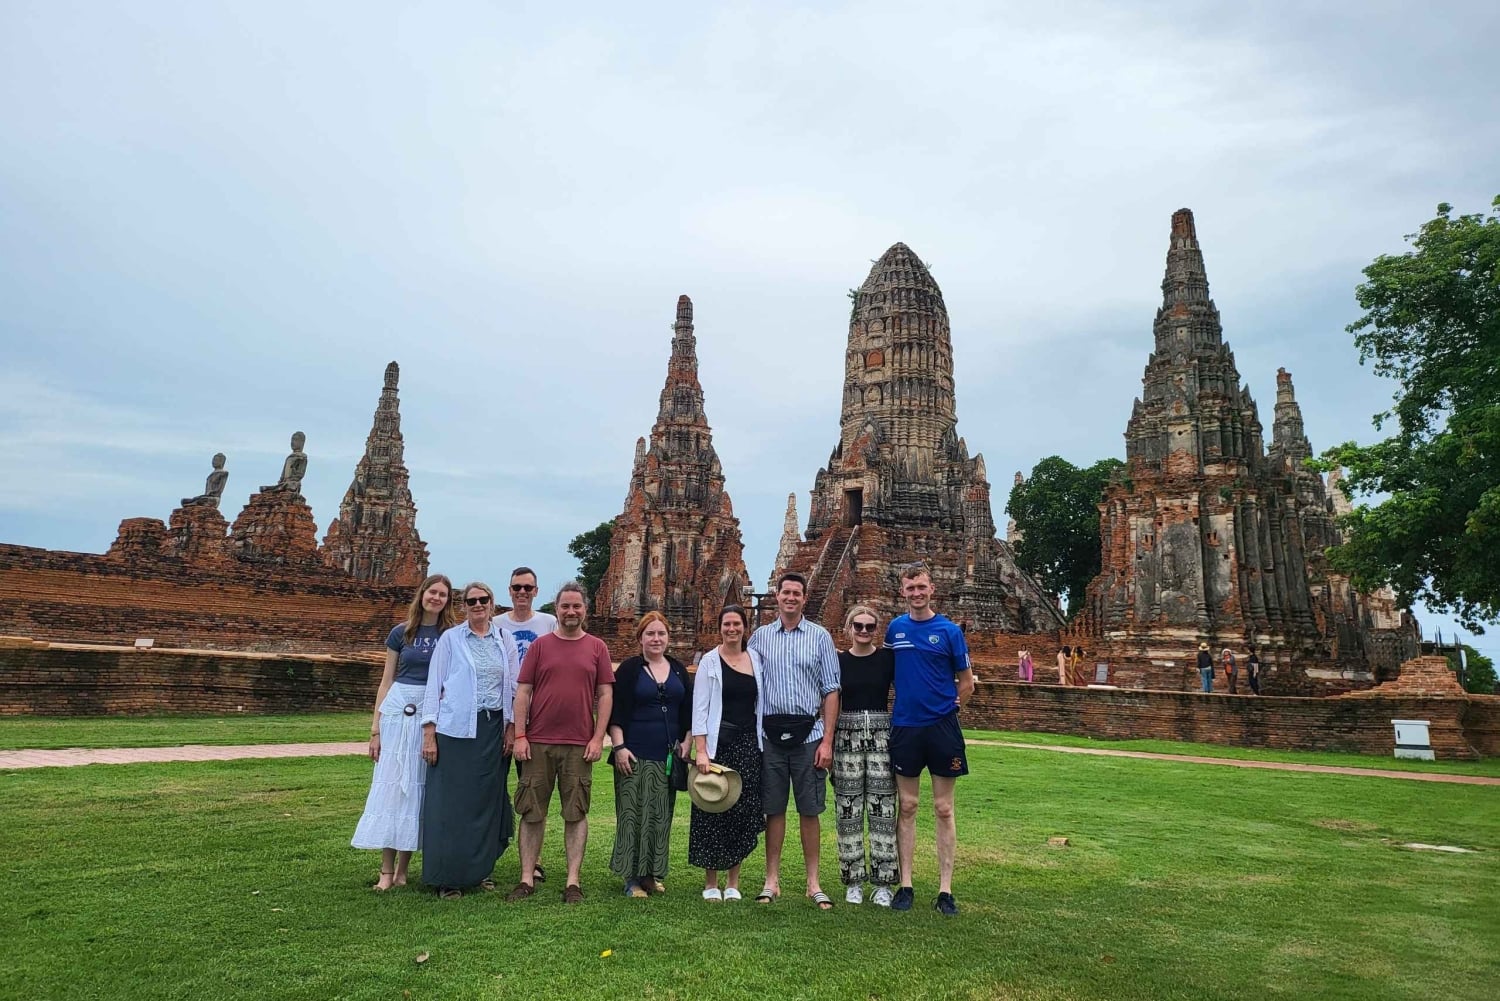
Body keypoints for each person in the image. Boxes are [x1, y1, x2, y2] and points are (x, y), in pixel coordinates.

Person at [508, 581, 615, 904]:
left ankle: (572, 881)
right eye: (565, 606)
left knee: (576, 812)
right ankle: (527, 877)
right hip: (538, 740)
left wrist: (598, 737)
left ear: (586, 610)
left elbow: (605, 694)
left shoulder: (597, 647)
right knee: (531, 811)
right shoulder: (541, 646)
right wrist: (521, 735)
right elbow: (523, 692)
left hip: (578, 743)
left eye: (577, 606)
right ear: (556, 610)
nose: (571, 611)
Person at [352, 573, 459, 890]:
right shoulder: (402, 633)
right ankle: (386, 871)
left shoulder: (450, 636)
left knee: (416, 788)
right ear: (422, 595)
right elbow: (386, 681)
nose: (436, 598)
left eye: (442, 594)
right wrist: (375, 729)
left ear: (447, 601)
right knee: (392, 787)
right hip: (398, 709)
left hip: (431, 712)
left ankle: (403, 870)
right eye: (432, 592)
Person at [417, 581, 520, 899]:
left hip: (492, 729)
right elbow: (434, 686)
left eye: (483, 600)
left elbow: (515, 687)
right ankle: (448, 876)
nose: (477, 605)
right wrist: (429, 733)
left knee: (486, 802)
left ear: (492, 604)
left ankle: (479, 870)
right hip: (456, 730)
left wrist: (512, 727)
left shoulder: (505, 640)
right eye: (471, 601)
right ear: (463, 606)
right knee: (452, 804)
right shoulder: (451, 639)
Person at [747, 572, 841, 910]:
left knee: (809, 809)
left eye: (796, 593)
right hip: (770, 735)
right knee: (773, 809)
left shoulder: (819, 637)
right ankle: (771, 880)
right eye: (785, 592)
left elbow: (831, 691)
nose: (790, 598)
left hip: (809, 735)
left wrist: (827, 741)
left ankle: (813, 881)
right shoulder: (759, 638)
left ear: (804, 597)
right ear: (777, 595)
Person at [886, 564, 973, 917]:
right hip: (906, 725)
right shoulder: (895, 630)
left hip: (941, 726)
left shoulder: (949, 632)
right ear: (902, 591)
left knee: (943, 808)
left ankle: (945, 889)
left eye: (921, 587)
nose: (916, 593)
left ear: (932, 589)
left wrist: (951, 709)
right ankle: (905, 884)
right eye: (910, 588)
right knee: (906, 806)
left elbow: (966, 682)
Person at [608, 612, 692, 897]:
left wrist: (687, 741)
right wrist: (619, 747)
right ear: (640, 638)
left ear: (668, 638)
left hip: (666, 755)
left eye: (661, 634)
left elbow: (687, 712)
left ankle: (650, 874)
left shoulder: (678, 669)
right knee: (633, 815)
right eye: (650, 634)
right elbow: (616, 711)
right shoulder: (630, 669)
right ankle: (631, 878)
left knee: (659, 815)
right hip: (634, 752)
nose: (656, 639)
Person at [689, 604, 765, 902]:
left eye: (736, 624)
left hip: (748, 744)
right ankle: (711, 881)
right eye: (726, 624)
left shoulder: (755, 659)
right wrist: (701, 750)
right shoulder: (710, 661)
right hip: (719, 744)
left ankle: (733, 880)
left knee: (739, 810)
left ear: (745, 627)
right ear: (719, 627)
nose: (731, 629)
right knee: (712, 806)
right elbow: (701, 708)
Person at [497, 565, 557, 885]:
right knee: (490, 790)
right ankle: (485, 855)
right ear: (509, 591)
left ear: (536, 592)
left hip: (535, 721)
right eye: (516, 587)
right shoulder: (495, 624)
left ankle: (533, 862)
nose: (522, 592)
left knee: (532, 792)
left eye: (528, 588)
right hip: (497, 717)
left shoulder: (549, 623)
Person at [833, 605, 897, 906]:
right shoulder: (838, 660)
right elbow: (830, 700)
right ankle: (853, 880)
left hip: (882, 737)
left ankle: (884, 882)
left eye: (869, 627)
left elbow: (908, 689)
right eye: (857, 626)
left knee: (883, 809)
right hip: (847, 736)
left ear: (877, 630)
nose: (863, 631)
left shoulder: (887, 659)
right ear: (848, 628)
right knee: (848, 810)